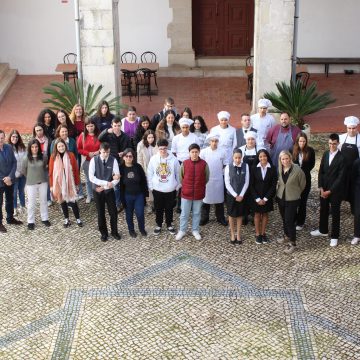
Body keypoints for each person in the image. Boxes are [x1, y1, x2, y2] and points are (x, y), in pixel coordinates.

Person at [310, 133, 346, 247]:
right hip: (324, 188)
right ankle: (323, 230)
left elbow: (341, 178)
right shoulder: (325, 154)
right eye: (330, 143)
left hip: (335, 191)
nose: (331, 146)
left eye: (334, 144)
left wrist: (330, 191)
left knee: (335, 213)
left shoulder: (342, 158)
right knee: (323, 210)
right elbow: (321, 171)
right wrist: (321, 188)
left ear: (338, 143)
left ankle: (335, 236)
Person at [147, 138, 181, 236]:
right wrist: (151, 186)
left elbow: (178, 173)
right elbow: (150, 173)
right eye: (161, 149)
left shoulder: (174, 159)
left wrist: (177, 186)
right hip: (157, 189)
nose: (163, 151)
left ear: (167, 148)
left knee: (169, 207)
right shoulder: (154, 159)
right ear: (158, 148)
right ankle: (158, 224)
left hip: (170, 189)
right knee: (158, 208)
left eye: (165, 148)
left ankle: (169, 224)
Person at [176, 143, 209, 241]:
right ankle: (182, 230)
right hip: (186, 193)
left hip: (199, 193)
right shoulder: (184, 163)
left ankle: (195, 230)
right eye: (192, 152)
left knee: (197, 213)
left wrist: (199, 185)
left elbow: (206, 178)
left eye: (196, 152)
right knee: (184, 213)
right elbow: (181, 177)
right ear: (189, 153)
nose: (194, 154)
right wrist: (187, 186)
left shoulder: (204, 164)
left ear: (199, 152)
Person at [89, 142, 121, 242]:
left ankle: (114, 232)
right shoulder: (94, 160)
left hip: (108, 191)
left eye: (107, 152)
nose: (106, 154)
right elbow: (91, 177)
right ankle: (104, 233)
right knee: (100, 213)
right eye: (103, 152)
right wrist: (106, 183)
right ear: (100, 151)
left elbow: (117, 177)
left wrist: (105, 187)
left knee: (113, 212)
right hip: (97, 191)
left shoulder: (113, 160)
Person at [98, 116, 132, 211]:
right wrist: (106, 131)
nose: (116, 127)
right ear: (112, 126)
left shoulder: (125, 136)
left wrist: (124, 152)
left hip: (122, 162)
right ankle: (117, 203)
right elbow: (99, 138)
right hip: (111, 162)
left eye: (118, 125)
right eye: (115, 125)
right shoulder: (108, 135)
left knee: (123, 183)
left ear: (121, 125)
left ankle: (124, 201)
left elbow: (130, 148)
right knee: (115, 184)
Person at [276, 150, 306, 254]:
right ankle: (287, 235)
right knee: (284, 219)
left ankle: (293, 243)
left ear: (290, 158)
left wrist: (295, 192)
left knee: (289, 221)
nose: (285, 161)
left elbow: (302, 184)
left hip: (292, 199)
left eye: (286, 158)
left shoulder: (297, 170)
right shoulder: (280, 168)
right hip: (281, 197)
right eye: (282, 159)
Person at [49, 139, 83, 227]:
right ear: (56, 147)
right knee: (62, 201)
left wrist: (76, 184)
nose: (61, 148)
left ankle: (78, 219)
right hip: (59, 183)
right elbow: (51, 172)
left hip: (70, 183)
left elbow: (75, 170)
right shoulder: (53, 157)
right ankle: (66, 219)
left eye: (62, 146)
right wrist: (52, 185)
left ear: (65, 146)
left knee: (73, 201)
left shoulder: (70, 155)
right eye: (59, 146)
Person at [199, 133, 228, 226]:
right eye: (212, 141)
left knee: (219, 200)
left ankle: (220, 217)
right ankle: (204, 217)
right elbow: (201, 165)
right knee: (206, 200)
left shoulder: (222, 152)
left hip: (218, 179)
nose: (214, 143)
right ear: (209, 142)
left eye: (216, 141)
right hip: (207, 179)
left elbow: (225, 164)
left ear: (218, 142)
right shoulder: (203, 152)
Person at [250, 149, 277, 244]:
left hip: (267, 197)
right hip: (256, 197)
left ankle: (263, 233)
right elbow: (251, 185)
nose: (262, 158)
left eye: (264, 156)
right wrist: (257, 198)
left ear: (267, 157)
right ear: (258, 158)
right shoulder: (253, 168)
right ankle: (257, 234)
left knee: (265, 214)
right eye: (260, 156)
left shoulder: (272, 168)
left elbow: (273, 185)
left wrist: (266, 198)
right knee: (257, 214)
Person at [22, 138, 50, 230]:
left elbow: (45, 167)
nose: (34, 149)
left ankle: (45, 218)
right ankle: (30, 221)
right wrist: (31, 177)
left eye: (36, 147)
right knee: (31, 203)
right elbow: (24, 171)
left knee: (43, 201)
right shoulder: (26, 158)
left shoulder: (44, 156)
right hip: (31, 183)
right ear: (30, 148)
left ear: (39, 147)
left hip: (43, 182)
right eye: (33, 147)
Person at [120, 148, 148, 238]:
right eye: (126, 156)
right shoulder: (120, 168)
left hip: (139, 195)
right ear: (123, 157)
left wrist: (146, 194)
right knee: (129, 214)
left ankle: (142, 229)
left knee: (140, 213)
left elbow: (143, 181)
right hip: (127, 195)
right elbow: (119, 184)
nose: (128, 158)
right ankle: (131, 230)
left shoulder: (138, 167)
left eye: (130, 156)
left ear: (133, 157)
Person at [224, 148, 250, 244]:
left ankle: (238, 234)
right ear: (233, 157)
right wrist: (235, 195)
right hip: (231, 195)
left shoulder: (245, 166)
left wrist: (241, 195)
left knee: (239, 215)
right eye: (236, 158)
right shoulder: (228, 167)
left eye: (239, 158)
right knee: (231, 215)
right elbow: (227, 183)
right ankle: (232, 233)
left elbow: (246, 182)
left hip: (242, 195)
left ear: (242, 157)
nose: (238, 160)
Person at [0, 130, 23, 233]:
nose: (0, 140)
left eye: (2, 138)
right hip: (1, 182)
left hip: (10, 180)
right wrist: (5, 179)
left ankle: (10, 218)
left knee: (10, 200)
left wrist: (10, 177)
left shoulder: (8, 147)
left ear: (4, 138)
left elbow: (14, 162)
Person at [292, 132, 315, 230]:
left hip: (306, 179)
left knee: (303, 201)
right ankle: (293, 219)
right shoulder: (292, 150)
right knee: (294, 201)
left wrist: (303, 172)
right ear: (297, 141)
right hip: (294, 180)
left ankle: (300, 222)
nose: (302, 143)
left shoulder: (310, 151)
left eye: (304, 141)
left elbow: (312, 164)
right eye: (300, 141)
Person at [77, 118, 101, 203]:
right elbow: (79, 149)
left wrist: (99, 151)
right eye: (88, 126)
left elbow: (103, 146)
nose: (90, 128)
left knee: (97, 177)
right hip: (87, 161)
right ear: (85, 127)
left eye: (92, 126)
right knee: (88, 179)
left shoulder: (99, 134)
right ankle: (89, 195)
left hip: (98, 160)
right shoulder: (82, 135)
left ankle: (97, 195)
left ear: (95, 126)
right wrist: (88, 153)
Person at [339, 116, 360, 203]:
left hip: (356, 170)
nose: (351, 130)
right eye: (349, 128)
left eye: (353, 128)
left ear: (357, 127)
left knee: (354, 190)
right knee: (339, 188)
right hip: (342, 169)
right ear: (346, 127)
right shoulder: (341, 138)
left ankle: (354, 209)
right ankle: (336, 207)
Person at [137, 130, 158, 213]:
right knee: (147, 187)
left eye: (152, 137)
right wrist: (142, 172)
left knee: (156, 186)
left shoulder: (156, 144)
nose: (151, 139)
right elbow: (140, 160)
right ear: (146, 138)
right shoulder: (141, 145)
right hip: (145, 168)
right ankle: (149, 204)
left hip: (155, 169)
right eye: (149, 137)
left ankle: (156, 203)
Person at [7, 130, 27, 216]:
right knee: (14, 193)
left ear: (18, 138)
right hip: (14, 175)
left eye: (16, 137)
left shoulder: (22, 147)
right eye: (13, 137)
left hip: (23, 174)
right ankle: (14, 208)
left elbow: (26, 159)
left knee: (21, 191)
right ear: (10, 137)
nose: (15, 138)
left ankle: (23, 206)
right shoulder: (7, 148)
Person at [350, 158, 360, 245]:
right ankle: (357, 235)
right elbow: (353, 177)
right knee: (358, 213)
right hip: (358, 190)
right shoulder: (357, 162)